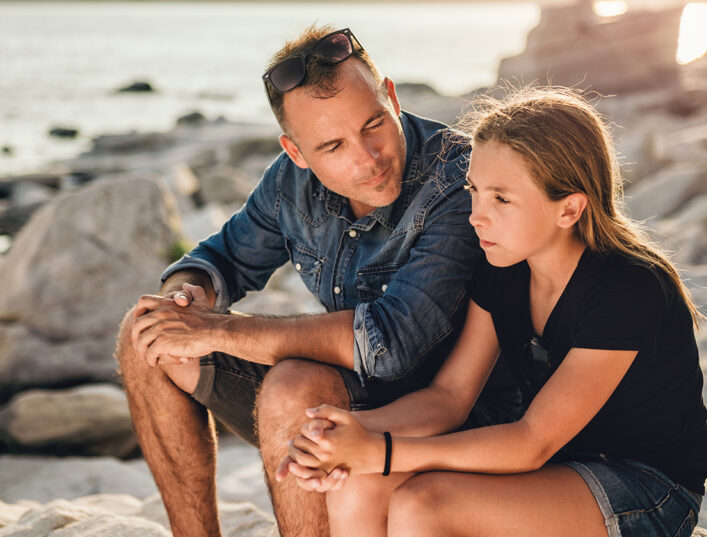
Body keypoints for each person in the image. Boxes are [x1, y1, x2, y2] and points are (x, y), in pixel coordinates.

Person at [115, 25, 521, 537]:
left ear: (391, 97)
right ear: (297, 152)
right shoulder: (290, 182)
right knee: (146, 330)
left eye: (374, 124)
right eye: (333, 146)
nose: (367, 157)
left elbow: (390, 343)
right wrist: (190, 295)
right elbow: (224, 256)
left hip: (449, 426)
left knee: (295, 387)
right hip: (345, 401)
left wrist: (216, 332)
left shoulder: (459, 180)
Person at [283, 87, 707, 537]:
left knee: (424, 505)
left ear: (568, 208)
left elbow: (531, 440)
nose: (476, 216)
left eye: (501, 199)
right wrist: (349, 432)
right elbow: (450, 397)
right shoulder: (504, 269)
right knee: (359, 483)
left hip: (647, 485)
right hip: (560, 465)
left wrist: (383, 451)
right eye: (474, 190)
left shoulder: (628, 287)